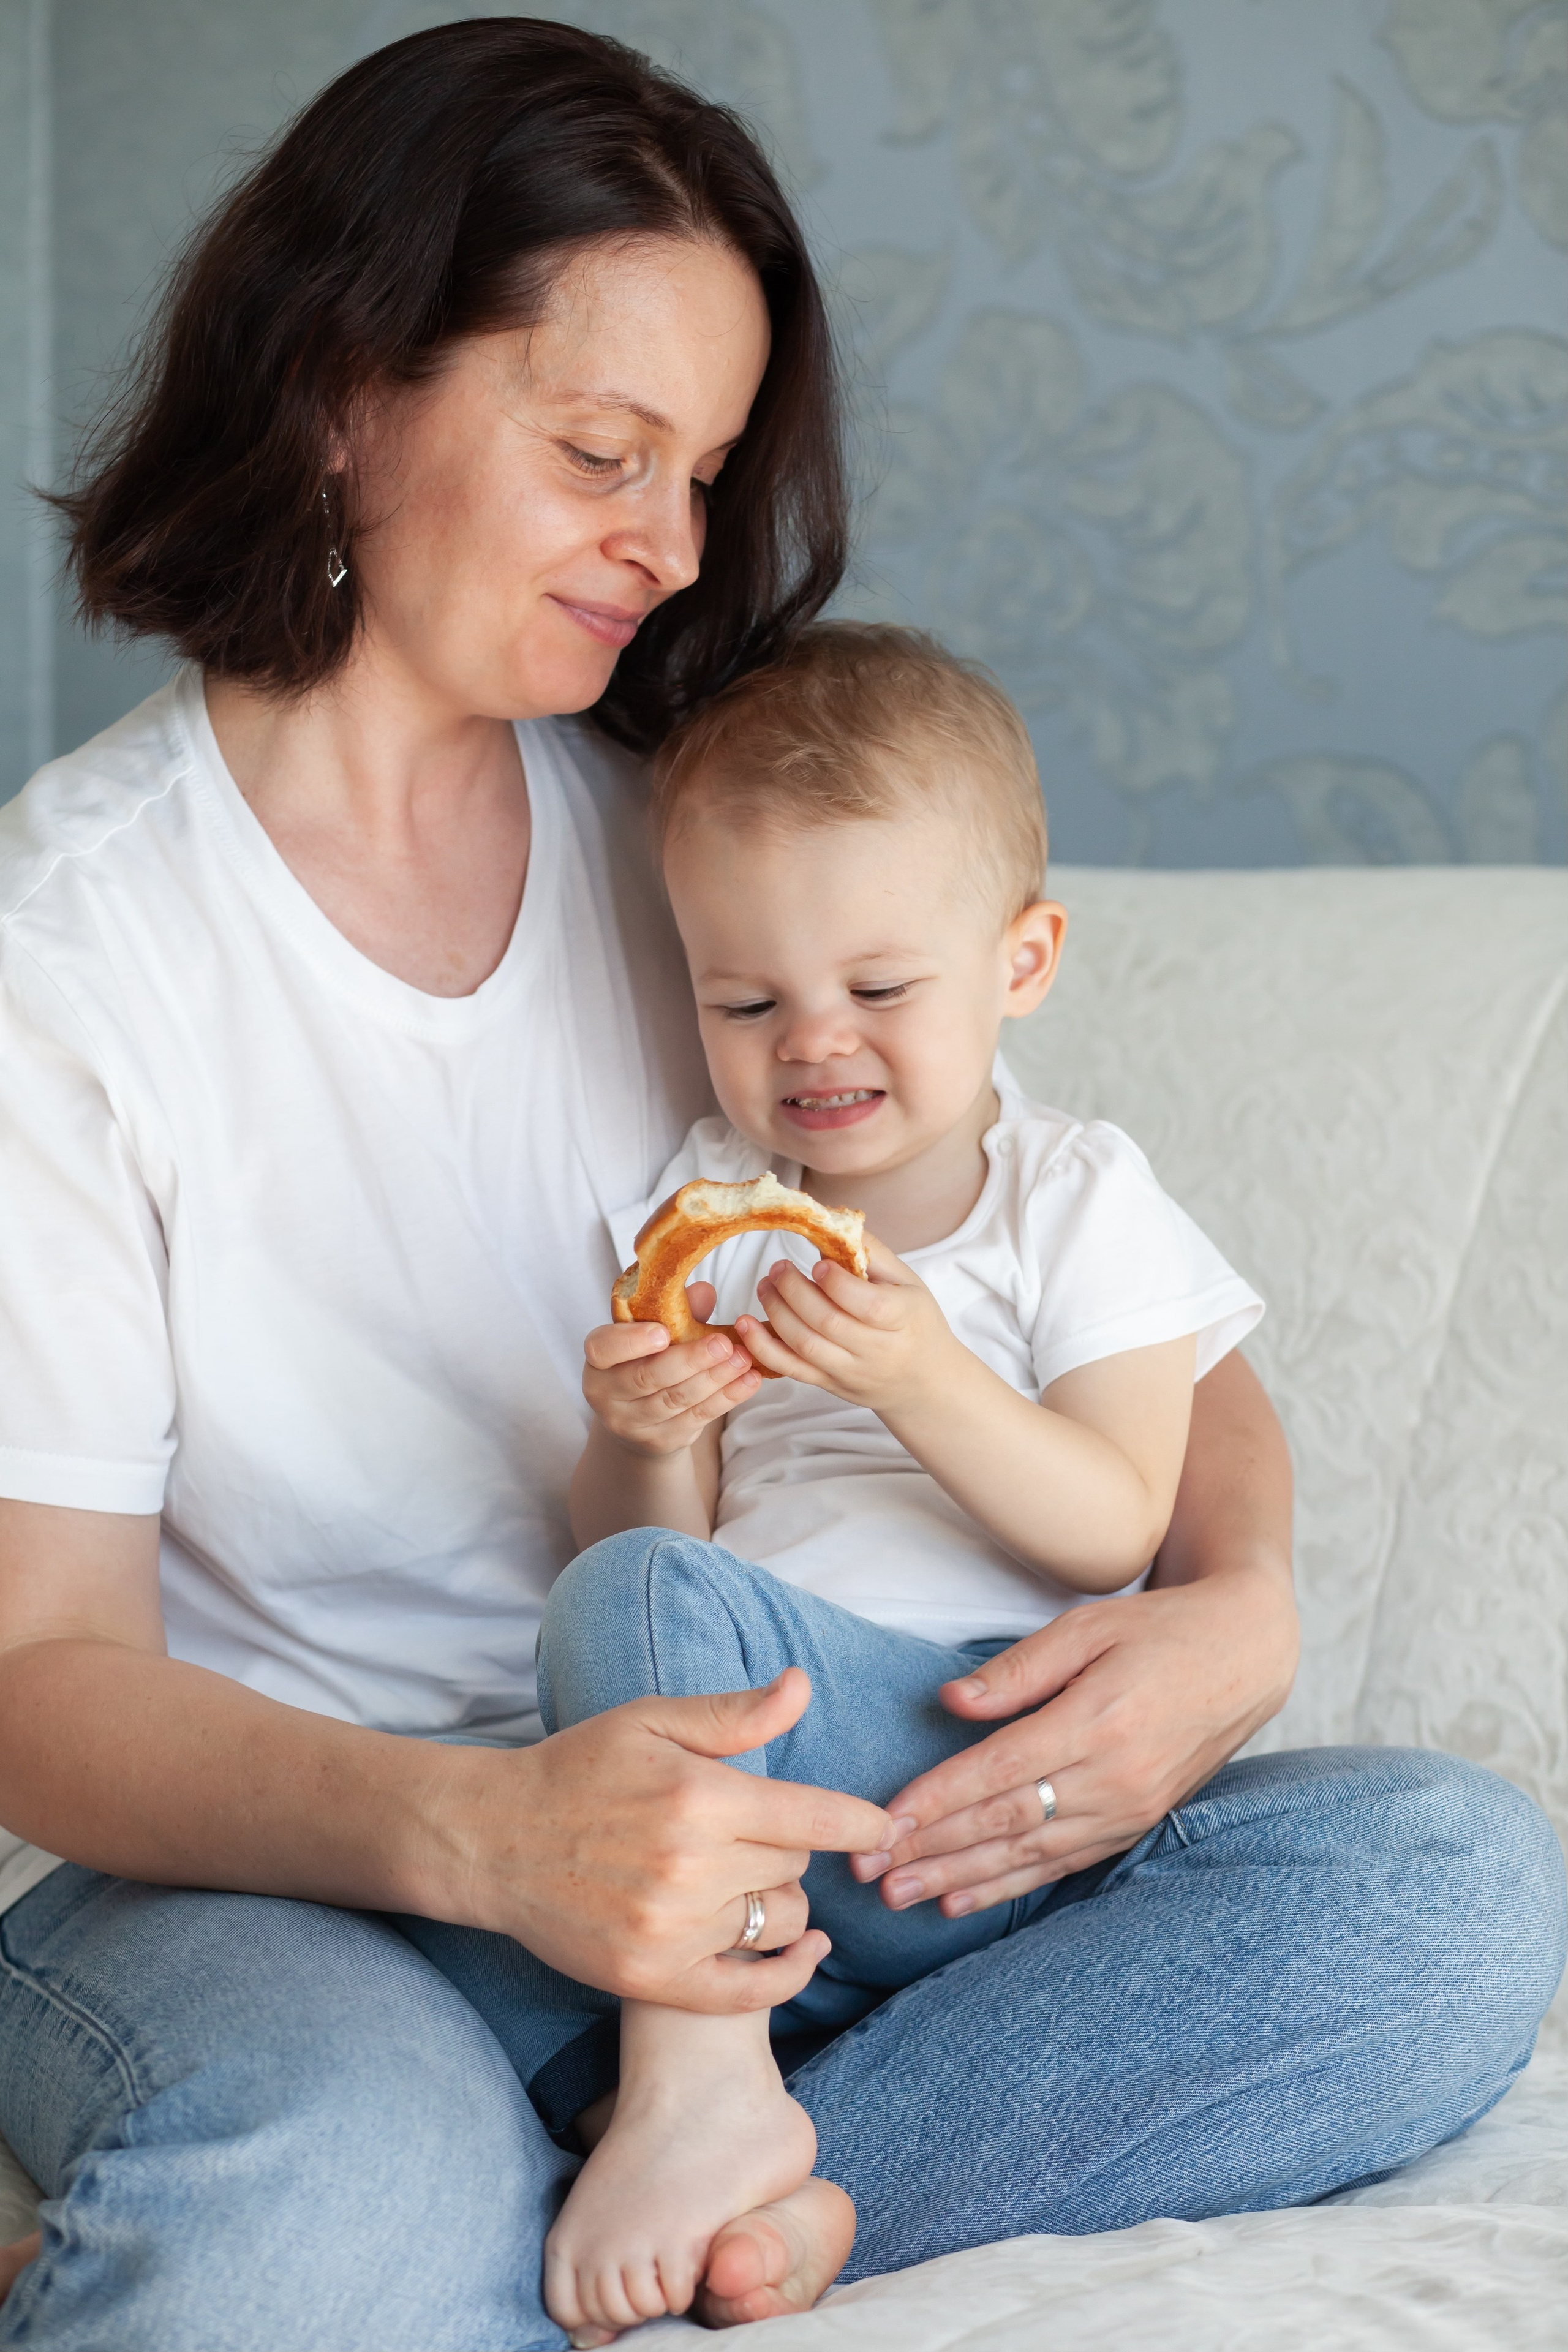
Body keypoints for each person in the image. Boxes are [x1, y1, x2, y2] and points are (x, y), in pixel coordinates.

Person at [0, 20, 1557, 2352]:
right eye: (604, 450)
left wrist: (1237, 1608)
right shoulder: (72, 952)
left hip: (800, 1830)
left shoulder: (703, 845)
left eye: (708, 470)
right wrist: (497, 1839)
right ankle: (509, 2178)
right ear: (344, 391)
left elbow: (1068, 1252)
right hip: (328, 1883)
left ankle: (708, 2182)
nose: (676, 543)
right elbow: (37, 1685)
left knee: (1439, 1888)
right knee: (313, 2231)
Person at [538, 623, 1269, 2335]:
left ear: (1021, 962)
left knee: (1418, 1861)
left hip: (981, 1755)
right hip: (760, 1777)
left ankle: (689, 2080)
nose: (816, 1044)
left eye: (879, 990)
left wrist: (926, 1372)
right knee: (618, 1593)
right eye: (745, 1000)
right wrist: (645, 1434)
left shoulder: (1078, 1200)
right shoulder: (709, 1203)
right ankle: (719, 2088)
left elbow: (1119, 1521)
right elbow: (660, 1581)